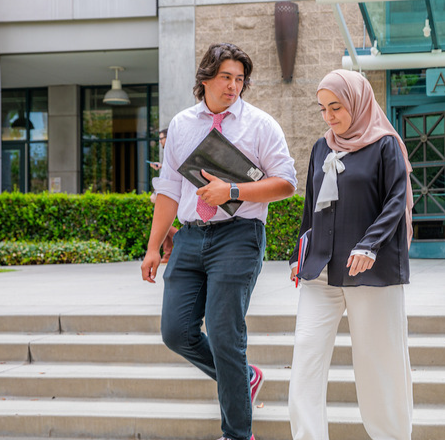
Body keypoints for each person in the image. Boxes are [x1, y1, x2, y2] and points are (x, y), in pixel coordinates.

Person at [141, 42, 297, 440]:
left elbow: (286, 185)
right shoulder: (181, 125)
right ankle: (243, 377)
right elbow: (170, 189)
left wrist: (232, 191)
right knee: (176, 332)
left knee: (226, 333)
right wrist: (154, 246)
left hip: (239, 235)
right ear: (206, 78)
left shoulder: (260, 124)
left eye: (240, 79)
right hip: (191, 237)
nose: (233, 86)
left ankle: (237, 433)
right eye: (226, 77)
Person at [287, 69, 414, 440]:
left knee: (380, 366)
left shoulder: (385, 145)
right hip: (322, 272)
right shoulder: (321, 147)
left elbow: (395, 202)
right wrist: (301, 254)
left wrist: (369, 244)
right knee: (305, 361)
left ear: (358, 102)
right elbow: (311, 207)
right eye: (323, 109)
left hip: (370, 273)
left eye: (336, 107)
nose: (329, 117)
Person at [149, 127, 176, 263]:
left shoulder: (173, 149)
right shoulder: (167, 152)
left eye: (161, 138)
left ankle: (179, 237)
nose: (160, 141)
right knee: (162, 220)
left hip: (173, 192)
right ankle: (168, 254)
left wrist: (156, 193)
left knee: (163, 222)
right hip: (168, 189)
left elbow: (170, 178)